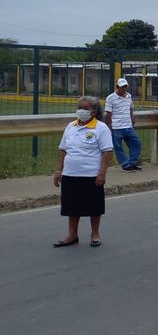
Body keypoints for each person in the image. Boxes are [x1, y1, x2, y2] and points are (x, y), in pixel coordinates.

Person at [52, 96, 113, 248]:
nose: (81, 111)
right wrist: (59, 170)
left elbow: (107, 152)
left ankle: (95, 234)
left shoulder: (101, 128)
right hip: (70, 173)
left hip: (91, 174)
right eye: (79, 108)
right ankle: (72, 234)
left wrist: (102, 173)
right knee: (72, 206)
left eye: (85, 109)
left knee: (94, 206)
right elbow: (63, 150)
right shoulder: (71, 126)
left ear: (94, 112)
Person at [105, 78, 140, 172]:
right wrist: (109, 127)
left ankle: (132, 162)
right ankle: (125, 164)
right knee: (118, 147)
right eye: (122, 87)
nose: (124, 89)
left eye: (125, 87)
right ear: (117, 87)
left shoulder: (128, 96)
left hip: (128, 125)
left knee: (136, 143)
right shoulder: (110, 98)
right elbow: (108, 114)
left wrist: (132, 117)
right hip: (116, 127)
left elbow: (130, 108)